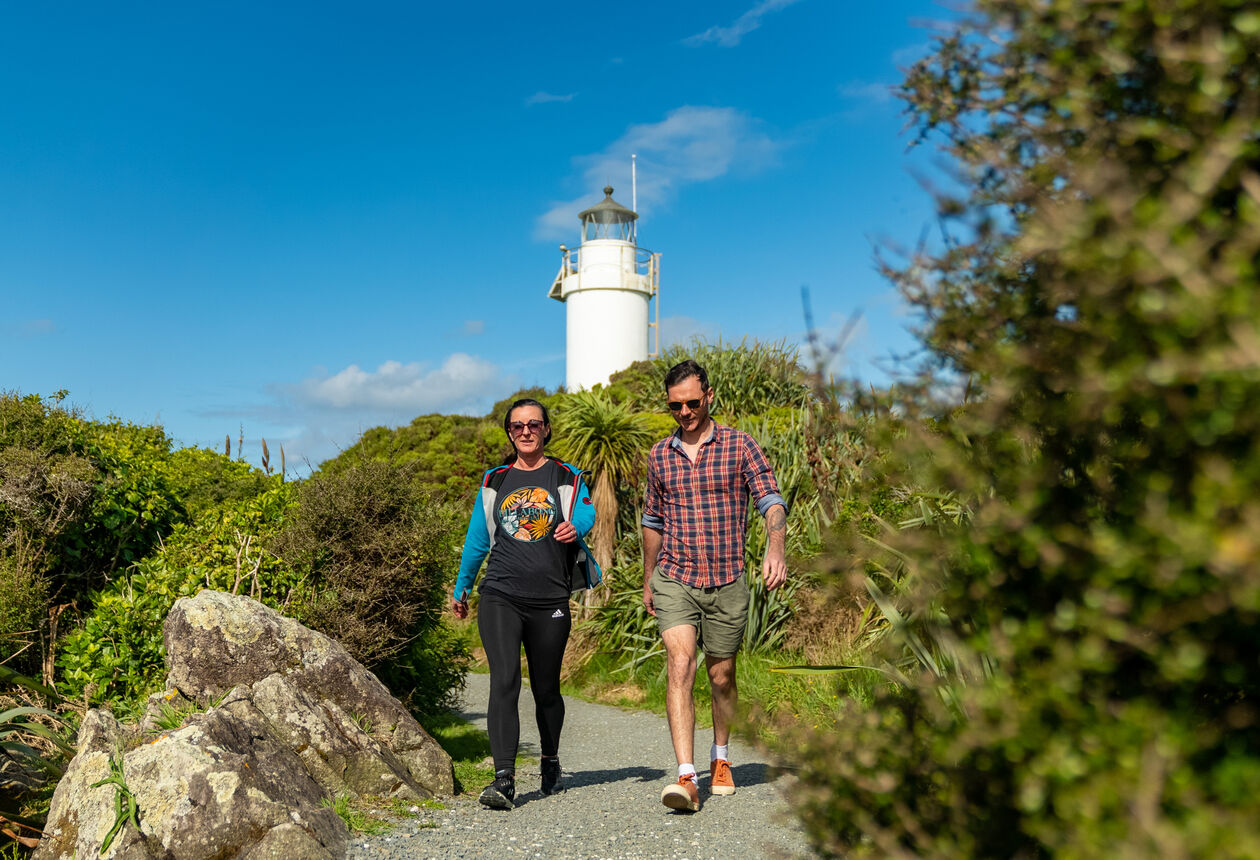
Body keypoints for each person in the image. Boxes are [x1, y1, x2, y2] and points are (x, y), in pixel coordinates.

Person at [641, 360, 788, 812]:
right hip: (675, 577)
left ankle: (720, 758)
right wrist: (648, 579)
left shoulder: (741, 445)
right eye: (674, 406)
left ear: (708, 396)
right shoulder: (659, 455)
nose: (683, 412)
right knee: (681, 663)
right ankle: (686, 776)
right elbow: (652, 520)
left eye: (690, 402)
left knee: (721, 677)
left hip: (727, 580)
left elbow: (771, 499)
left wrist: (775, 548)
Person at [452, 398, 601, 810]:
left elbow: (587, 513)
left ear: (546, 429)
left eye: (534, 424)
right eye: (517, 426)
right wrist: (463, 587)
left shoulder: (565, 475)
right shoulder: (495, 480)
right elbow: (478, 540)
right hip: (500, 593)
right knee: (504, 681)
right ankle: (503, 779)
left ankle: (550, 757)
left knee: (547, 690)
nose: (526, 431)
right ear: (509, 433)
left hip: (550, 597)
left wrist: (575, 527)